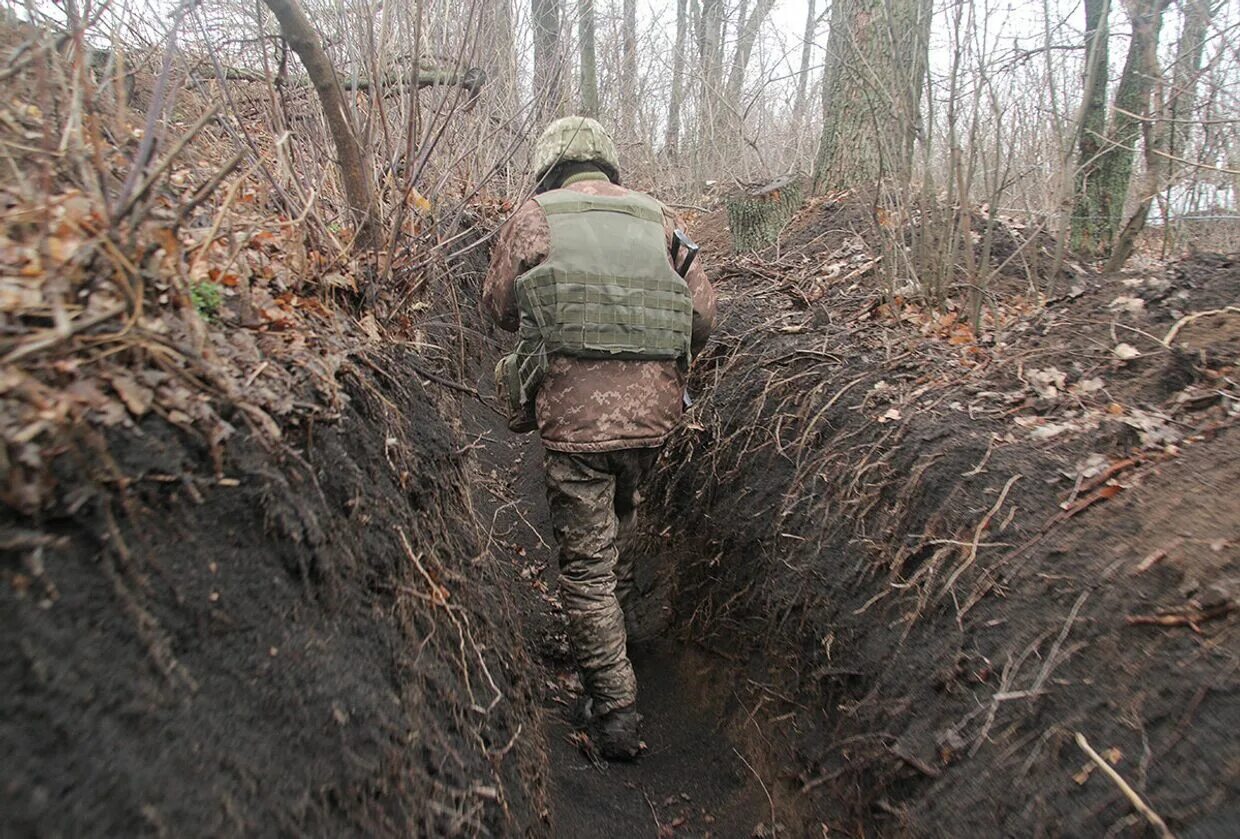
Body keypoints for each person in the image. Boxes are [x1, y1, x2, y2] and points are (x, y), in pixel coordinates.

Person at [482, 116, 715, 760]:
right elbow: (702, 319)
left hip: (576, 426)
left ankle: (613, 708)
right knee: (623, 518)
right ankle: (619, 629)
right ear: (608, 164)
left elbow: (498, 308)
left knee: (585, 568)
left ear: (550, 166)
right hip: (654, 423)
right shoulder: (660, 217)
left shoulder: (534, 216)